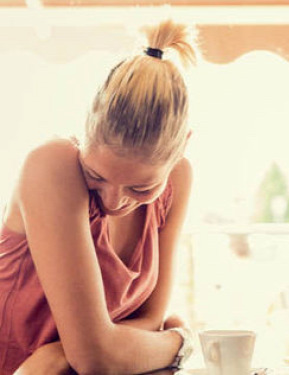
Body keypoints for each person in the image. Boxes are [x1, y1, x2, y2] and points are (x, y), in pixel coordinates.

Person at [0, 20, 196, 374]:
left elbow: (149, 319)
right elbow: (95, 358)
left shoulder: (178, 180)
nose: (114, 200)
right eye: (96, 176)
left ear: (181, 147)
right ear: (85, 133)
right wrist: (181, 341)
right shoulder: (52, 165)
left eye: (140, 188)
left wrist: (63, 352)